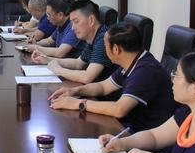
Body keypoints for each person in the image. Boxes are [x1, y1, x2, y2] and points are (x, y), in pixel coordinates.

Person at [49, 23, 177, 133]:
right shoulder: (133, 61)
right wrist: (74, 91)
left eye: (105, 46)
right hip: (131, 127)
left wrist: (78, 104)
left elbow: (119, 109)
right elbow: (103, 87)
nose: (105, 50)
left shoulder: (144, 71)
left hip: (144, 135)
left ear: (116, 49)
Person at [32, 0, 114, 84]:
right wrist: (47, 59)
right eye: (72, 23)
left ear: (91, 20)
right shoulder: (93, 37)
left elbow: (87, 77)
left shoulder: (103, 38)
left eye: (76, 21)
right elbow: (78, 63)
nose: (73, 28)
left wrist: (58, 70)